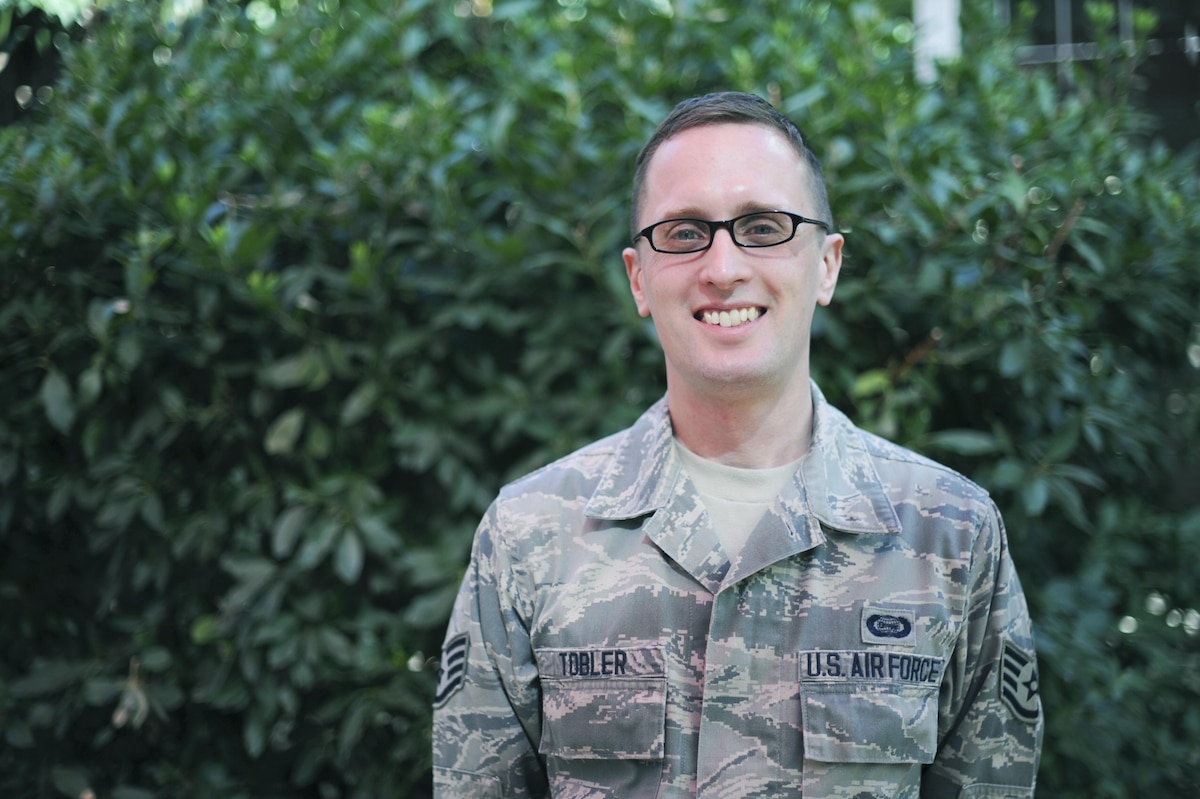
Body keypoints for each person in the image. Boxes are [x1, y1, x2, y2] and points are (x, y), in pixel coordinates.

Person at [432, 91, 1042, 798]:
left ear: (827, 264)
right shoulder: (529, 536)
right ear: (638, 277)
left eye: (762, 226)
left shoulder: (950, 534)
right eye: (685, 233)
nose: (723, 266)